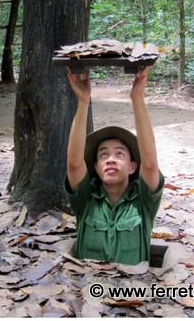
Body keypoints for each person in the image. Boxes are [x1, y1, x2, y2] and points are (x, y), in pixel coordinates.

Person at [64, 65, 164, 265]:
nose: (110, 159)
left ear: (132, 167)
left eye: (120, 154)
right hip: (88, 289)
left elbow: (151, 164)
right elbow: (74, 164)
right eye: (103, 155)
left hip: (131, 291)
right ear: (96, 167)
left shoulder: (143, 202)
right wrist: (83, 102)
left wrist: (137, 98)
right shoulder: (86, 199)